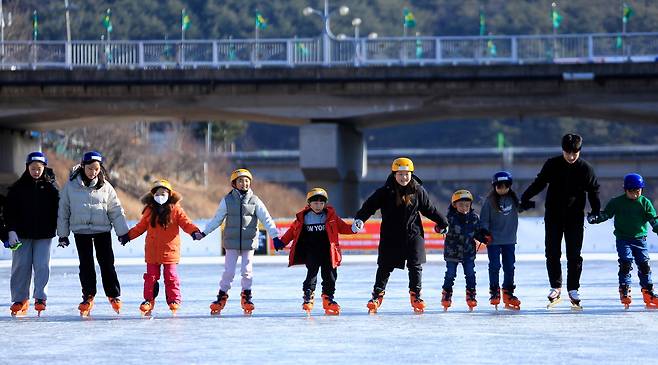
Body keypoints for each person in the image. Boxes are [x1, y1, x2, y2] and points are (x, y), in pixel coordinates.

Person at [353, 157, 448, 314]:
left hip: (413, 233)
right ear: (394, 174)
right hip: (391, 235)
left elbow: (429, 209)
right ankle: (377, 296)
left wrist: (443, 222)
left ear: (411, 174)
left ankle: (416, 296)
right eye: (400, 174)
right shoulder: (385, 191)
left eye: (406, 174)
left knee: (415, 265)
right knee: (385, 266)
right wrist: (360, 219)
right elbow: (369, 206)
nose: (404, 177)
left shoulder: (418, 191)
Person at [520, 133, 600, 308]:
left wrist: (595, 211)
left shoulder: (585, 169)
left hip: (575, 217)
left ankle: (573, 288)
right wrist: (524, 198)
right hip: (553, 216)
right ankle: (556, 286)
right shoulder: (552, 164)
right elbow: (539, 183)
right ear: (562, 150)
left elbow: (593, 191)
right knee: (552, 252)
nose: (571, 157)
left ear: (579, 151)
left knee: (574, 254)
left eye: (575, 153)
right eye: (567, 153)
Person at [198, 168, 283, 315]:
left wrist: (275, 236)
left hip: (248, 243)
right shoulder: (227, 200)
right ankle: (221, 296)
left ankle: (247, 297)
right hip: (231, 243)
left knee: (247, 272)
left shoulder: (255, 201)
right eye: (240, 181)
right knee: (229, 272)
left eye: (246, 181)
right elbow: (217, 219)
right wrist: (204, 232)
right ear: (234, 184)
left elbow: (267, 219)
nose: (244, 183)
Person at [57, 151, 130, 316]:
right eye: (90, 168)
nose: (93, 172)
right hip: (81, 231)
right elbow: (63, 211)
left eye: (96, 169)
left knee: (107, 263)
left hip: (102, 230)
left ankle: (113, 294)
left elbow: (116, 210)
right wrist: (63, 234)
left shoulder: (106, 186)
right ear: (83, 167)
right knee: (86, 264)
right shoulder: (70, 186)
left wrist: (122, 232)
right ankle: (88, 295)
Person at [123, 179, 203, 315]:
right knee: (150, 278)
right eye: (158, 193)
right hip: (152, 252)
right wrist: (128, 236)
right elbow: (140, 227)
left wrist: (194, 231)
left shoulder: (176, 209)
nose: (161, 196)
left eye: (164, 193)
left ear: (170, 194)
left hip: (170, 251)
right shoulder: (149, 210)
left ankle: (174, 300)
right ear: (153, 195)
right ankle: (148, 300)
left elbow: (186, 223)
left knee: (171, 276)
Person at [277, 188, 357, 315]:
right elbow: (292, 231)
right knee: (312, 274)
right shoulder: (303, 217)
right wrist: (282, 242)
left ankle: (328, 298)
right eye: (315, 203)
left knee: (330, 276)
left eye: (321, 203)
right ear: (309, 204)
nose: (318, 206)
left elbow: (343, 228)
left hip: (328, 253)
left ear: (325, 203)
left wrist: (353, 228)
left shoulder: (331, 217)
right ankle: (308, 296)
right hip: (312, 252)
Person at [589, 173, 658, 308]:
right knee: (626, 263)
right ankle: (624, 290)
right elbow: (606, 214)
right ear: (625, 190)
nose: (635, 194)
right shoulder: (617, 202)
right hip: (623, 239)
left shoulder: (645, 203)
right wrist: (595, 218)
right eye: (631, 191)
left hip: (640, 240)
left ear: (641, 190)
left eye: (637, 191)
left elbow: (653, 220)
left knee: (644, 265)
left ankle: (648, 291)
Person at [5, 152, 59, 316]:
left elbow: (60, 210)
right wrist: (11, 230)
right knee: (21, 266)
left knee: (42, 265)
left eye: (39, 168)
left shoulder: (51, 188)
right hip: (21, 234)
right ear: (27, 168)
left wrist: (61, 229)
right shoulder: (17, 188)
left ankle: (40, 297)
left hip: (44, 234)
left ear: (44, 168)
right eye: (33, 168)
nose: (36, 171)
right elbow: (9, 211)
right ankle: (20, 299)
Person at [440, 190, 492, 311]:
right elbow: (442, 227)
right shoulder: (450, 218)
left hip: (468, 253)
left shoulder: (474, 218)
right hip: (452, 253)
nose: (464, 208)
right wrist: (439, 227)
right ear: (454, 205)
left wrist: (484, 238)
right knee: (450, 274)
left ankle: (471, 295)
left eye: (467, 205)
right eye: (461, 205)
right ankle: (446, 294)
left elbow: (477, 233)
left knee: (470, 274)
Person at [480, 171, 521, 310]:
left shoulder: (514, 200)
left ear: (509, 186)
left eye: (505, 186)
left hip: (509, 239)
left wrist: (530, 203)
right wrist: (485, 232)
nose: (502, 189)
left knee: (509, 266)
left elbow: (523, 206)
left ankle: (508, 292)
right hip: (494, 240)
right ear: (494, 187)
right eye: (499, 186)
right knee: (495, 266)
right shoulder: (489, 202)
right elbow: (484, 219)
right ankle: (494, 291)